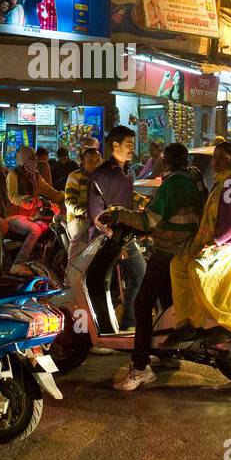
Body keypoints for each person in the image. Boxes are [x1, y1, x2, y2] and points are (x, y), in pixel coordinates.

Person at [104, 143, 204, 390]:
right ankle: (169, 354)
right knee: (168, 304)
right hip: (186, 251)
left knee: (142, 304)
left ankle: (139, 367)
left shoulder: (172, 185)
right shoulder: (195, 178)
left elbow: (149, 220)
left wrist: (119, 214)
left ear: (166, 162)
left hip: (168, 251)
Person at [164, 140, 231, 348]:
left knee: (198, 268)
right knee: (178, 265)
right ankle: (187, 323)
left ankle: (224, 323)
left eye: (223, 158)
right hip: (221, 242)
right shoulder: (224, 180)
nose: (216, 161)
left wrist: (215, 243)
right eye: (215, 157)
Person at [87, 126, 146, 329]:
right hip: (104, 242)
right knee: (103, 284)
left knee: (140, 273)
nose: (132, 148)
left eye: (132, 144)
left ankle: (129, 322)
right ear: (115, 145)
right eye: (128, 144)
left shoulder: (127, 174)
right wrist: (112, 239)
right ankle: (102, 331)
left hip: (125, 238)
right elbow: (97, 216)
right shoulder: (100, 176)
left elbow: (128, 207)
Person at [5, 145, 62, 262]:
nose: (34, 162)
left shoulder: (35, 176)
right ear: (24, 161)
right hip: (14, 216)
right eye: (31, 159)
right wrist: (28, 200)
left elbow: (49, 190)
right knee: (35, 229)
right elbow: (12, 196)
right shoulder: (13, 175)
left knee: (51, 226)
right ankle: (19, 262)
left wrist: (64, 197)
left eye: (35, 159)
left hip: (32, 215)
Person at [63, 147, 103, 266]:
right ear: (83, 163)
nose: (95, 164)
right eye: (91, 161)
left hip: (101, 217)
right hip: (78, 218)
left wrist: (141, 201)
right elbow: (69, 201)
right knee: (80, 233)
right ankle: (71, 274)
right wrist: (83, 211)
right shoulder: (75, 176)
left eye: (98, 160)